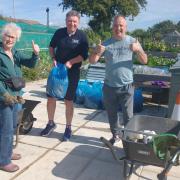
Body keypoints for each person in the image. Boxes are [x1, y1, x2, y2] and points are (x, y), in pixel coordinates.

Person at [89, 16, 147, 145]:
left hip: (127, 87)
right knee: (112, 115)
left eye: (121, 25)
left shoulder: (132, 42)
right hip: (109, 86)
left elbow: (145, 60)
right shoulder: (105, 43)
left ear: (125, 27)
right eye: (115, 25)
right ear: (112, 27)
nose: (118, 28)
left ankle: (129, 140)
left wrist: (138, 51)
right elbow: (92, 61)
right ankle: (115, 136)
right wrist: (95, 52)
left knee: (129, 117)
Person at [40, 10, 89, 141]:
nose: (72, 23)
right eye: (69, 21)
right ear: (66, 21)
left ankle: (68, 127)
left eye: (74, 21)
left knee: (68, 101)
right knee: (51, 98)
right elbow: (51, 47)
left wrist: (71, 62)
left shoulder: (82, 36)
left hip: (72, 72)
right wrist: (53, 58)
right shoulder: (59, 33)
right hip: (58, 71)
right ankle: (50, 123)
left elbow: (83, 56)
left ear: (78, 23)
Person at [0, 23, 40, 172]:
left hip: (16, 96)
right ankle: (3, 161)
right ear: (2, 35)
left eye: (13, 37)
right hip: (4, 97)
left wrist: (35, 54)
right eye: (7, 35)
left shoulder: (14, 53)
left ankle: (7, 152)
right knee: (5, 128)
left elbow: (31, 64)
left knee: (10, 127)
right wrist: (4, 94)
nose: (10, 39)